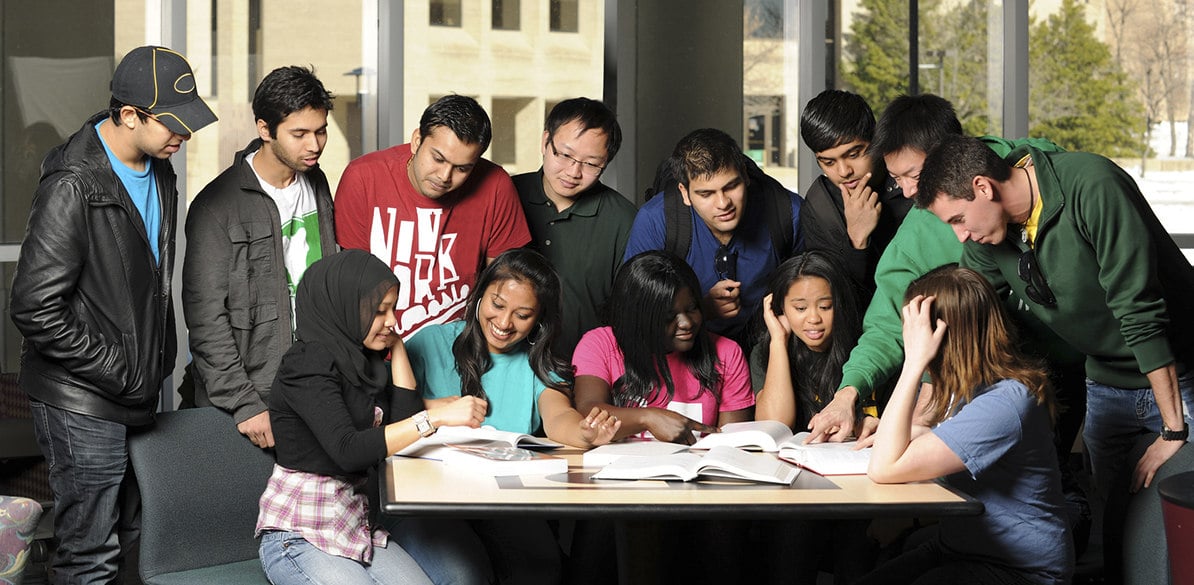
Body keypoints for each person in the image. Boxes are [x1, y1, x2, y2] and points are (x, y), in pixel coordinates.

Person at [917, 134, 1194, 581]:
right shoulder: (988, 243)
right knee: (1120, 529)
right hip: (1105, 381)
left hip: (1180, 375)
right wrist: (919, 416)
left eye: (959, 218)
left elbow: (1139, 310)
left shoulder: (1092, 184)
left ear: (983, 187)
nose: (961, 234)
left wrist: (1173, 427)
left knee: (1186, 530)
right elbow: (969, 323)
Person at [9, 45, 215, 583]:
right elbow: (34, 307)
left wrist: (156, 361)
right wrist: (119, 369)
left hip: (135, 391)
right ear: (129, 115)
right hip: (83, 400)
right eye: (172, 124)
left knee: (131, 542)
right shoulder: (72, 186)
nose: (184, 135)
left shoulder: (160, 170)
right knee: (90, 554)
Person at [804, 94, 1065, 443]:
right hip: (1007, 377)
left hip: (1090, 362)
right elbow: (888, 323)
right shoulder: (917, 231)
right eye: (899, 179)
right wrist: (848, 392)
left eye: (915, 174)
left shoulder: (1043, 168)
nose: (911, 191)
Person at [257, 250, 484, 584]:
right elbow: (350, 451)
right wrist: (434, 419)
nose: (392, 320)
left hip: (358, 525)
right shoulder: (306, 363)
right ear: (345, 308)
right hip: (299, 533)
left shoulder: (364, 363)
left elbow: (402, 427)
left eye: (393, 308)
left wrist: (399, 345)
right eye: (380, 311)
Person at [401, 247, 620, 585]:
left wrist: (585, 434)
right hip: (432, 500)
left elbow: (558, 416)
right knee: (466, 576)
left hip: (502, 501)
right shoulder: (429, 342)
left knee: (541, 567)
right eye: (497, 305)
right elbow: (384, 410)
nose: (504, 323)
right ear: (479, 296)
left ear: (540, 319)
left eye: (523, 314)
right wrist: (437, 410)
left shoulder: (539, 364)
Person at [860, 265, 1074, 585]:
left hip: (1020, 569)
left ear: (940, 338)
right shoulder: (975, 384)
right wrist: (908, 432)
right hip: (962, 545)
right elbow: (944, 437)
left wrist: (914, 363)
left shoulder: (1006, 401)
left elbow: (884, 469)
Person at [183, 65, 337, 449]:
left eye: (320, 131)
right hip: (252, 399)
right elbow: (206, 320)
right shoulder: (216, 206)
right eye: (299, 134)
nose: (314, 145)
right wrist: (244, 403)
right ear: (264, 129)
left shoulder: (317, 183)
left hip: (315, 383)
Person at [334, 94, 531, 341]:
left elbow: (506, 287)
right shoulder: (363, 177)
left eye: (462, 168)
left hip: (457, 350)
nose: (445, 176)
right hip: (374, 349)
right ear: (417, 141)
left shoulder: (495, 185)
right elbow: (349, 285)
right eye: (438, 159)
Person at [750, 250, 877, 585]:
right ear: (781, 309)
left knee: (857, 538)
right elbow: (773, 423)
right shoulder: (769, 351)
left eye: (825, 305)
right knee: (794, 533)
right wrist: (779, 339)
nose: (813, 319)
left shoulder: (864, 351)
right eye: (800, 308)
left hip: (858, 483)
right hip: (794, 487)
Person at [622, 128, 803, 347]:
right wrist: (699, 309)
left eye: (731, 186)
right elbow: (634, 312)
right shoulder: (656, 220)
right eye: (706, 194)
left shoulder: (788, 212)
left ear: (745, 176)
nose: (723, 203)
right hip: (686, 347)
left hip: (769, 343)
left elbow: (814, 296)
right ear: (684, 193)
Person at [574, 250, 755, 444]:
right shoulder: (600, 343)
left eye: (692, 308)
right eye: (669, 316)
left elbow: (731, 443)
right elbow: (588, 410)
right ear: (638, 317)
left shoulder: (727, 352)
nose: (686, 323)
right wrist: (648, 418)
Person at [513, 97, 637, 358]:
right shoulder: (506, 195)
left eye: (591, 164)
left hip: (584, 371)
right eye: (565, 155)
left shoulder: (625, 219)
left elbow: (631, 313)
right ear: (545, 141)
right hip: (503, 365)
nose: (573, 171)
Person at [798, 89, 910, 294]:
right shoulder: (820, 207)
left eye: (854, 154)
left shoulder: (911, 181)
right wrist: (857, 239)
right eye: (829, 162)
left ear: (876, 139)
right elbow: (836, 301)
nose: (844, 171)